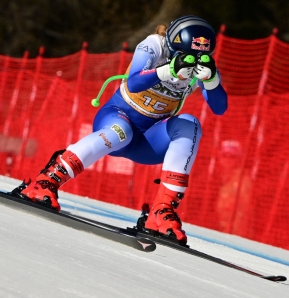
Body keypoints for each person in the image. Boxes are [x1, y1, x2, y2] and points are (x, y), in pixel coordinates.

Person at [14, 15, 227, 244]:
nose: (191, 62)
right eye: (184, 56)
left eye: (198, 58)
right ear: (172, 45)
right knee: (120, 132)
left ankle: (161, 211)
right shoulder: (154, 44)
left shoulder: (199, 66)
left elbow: (219, 108)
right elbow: (133, 82)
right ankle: (46, 180)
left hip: (148, 141)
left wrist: (212, 79)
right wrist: (168, 70)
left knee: (190, 124)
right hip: (118, 117)